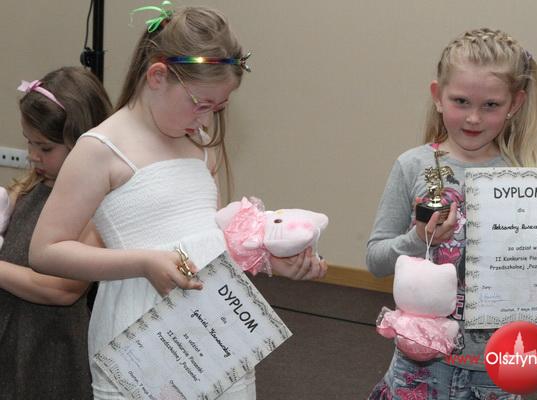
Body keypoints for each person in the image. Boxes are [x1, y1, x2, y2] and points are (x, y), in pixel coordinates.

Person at [29, 5, 326, 400]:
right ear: (157, 76)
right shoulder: (101, 149)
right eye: (200, 104)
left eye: (217, 109)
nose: (205, 120)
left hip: (211, 335)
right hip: (140, 338)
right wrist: (143, 262)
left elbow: (207, 242)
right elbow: (45, 251)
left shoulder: (199, 145)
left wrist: (267, 260)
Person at [366, 28, 537, 399]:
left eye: (490, 105)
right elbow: (375, 260)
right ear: (437, 96)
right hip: (418, 363)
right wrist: (417, 239)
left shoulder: (525, 179)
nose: (473, 118)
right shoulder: (412, 165)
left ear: (514, 104)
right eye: (461, 101)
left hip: (496, 367)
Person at [0, 66, 112, 399]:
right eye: (29, 142)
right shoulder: (29, 187)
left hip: (52, 355)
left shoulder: (97, 205)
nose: (33, 155)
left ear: (83, 144)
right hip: (10, 340)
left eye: (46, 148)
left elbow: (61, 289)